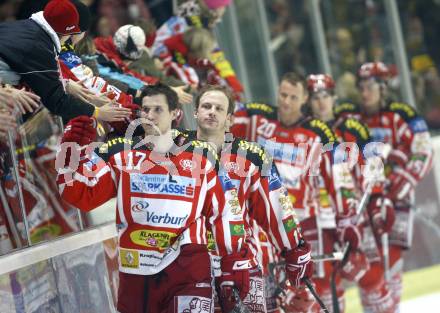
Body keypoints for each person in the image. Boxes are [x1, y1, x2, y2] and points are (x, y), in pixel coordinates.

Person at [56, 83, 248, 313]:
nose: (149, 116)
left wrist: (231, 268)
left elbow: (227, 213)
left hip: (187, 272)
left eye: (158, 110)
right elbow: (80, 195)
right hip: (136, 277)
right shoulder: (122, 157)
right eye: (145, 110)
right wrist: (71, 149)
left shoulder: (202, 157)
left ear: (176, 113)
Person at [174, 84, 313, 313]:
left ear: (229, 119)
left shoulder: (253, 156)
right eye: (206, 106)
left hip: (241, 265)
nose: (211, 112)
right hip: (190, 265)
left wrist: (294, 249)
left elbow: (278, 208)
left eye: (219, 109)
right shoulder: (176, 149)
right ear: (195, 112)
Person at [231, 72, 361, 312]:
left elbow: (339, 177)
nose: (286, 101)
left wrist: (347, 219)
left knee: (308, 290)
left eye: (293, 96)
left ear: (304, 100)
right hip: (262, 222)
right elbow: (223, 118)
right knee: (268, 292)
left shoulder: (319, 132)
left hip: (302, 222)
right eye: (283, 95)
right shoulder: (256, 118)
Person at [335, 62, 433, 313]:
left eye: (369, 86)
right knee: (371, 264)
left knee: (392, 257)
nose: (364, 92)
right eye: (360, 87)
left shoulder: (403, 115)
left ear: (382, 87)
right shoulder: (349, 116)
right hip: (364, 200)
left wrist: (403, 183)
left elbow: (423, 151)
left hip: (396, 199)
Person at [0, 0, 131, 123]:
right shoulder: (39, 47)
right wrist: (97, 112)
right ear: (68, 33)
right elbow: (56, 101)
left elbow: (34, 77)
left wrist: (65, 83)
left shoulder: (24, 27)